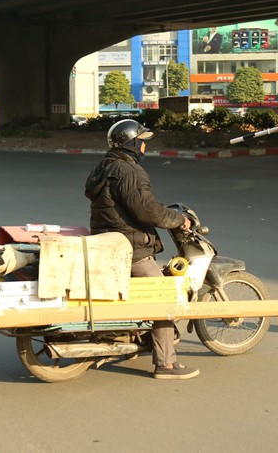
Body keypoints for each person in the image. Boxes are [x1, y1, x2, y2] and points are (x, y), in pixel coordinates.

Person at [84, 119, 199, 379]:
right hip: (130, 248)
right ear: (132, 144)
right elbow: (146, 211)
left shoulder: (104, 166)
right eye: (142, 141)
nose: (145, 146)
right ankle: (166, 364)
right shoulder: (130, 171)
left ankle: (141, 335)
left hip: (107, 243)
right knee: (165, 299)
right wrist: (178, 219)